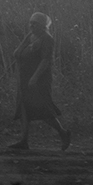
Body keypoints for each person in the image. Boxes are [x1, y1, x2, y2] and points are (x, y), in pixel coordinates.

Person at [10, 12, 71, 151]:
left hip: (38, 80)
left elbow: (46, 60)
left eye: (35, 23)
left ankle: (63, 133)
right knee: (24, 108)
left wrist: (34, 77)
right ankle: (24, 141)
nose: (31, 25)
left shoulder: (47, 39)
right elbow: (17, 52)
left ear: (43, 25)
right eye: (30, 22)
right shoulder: (30, 35)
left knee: (42, 109)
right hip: (25, 78)